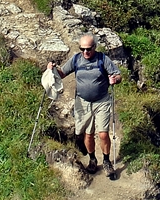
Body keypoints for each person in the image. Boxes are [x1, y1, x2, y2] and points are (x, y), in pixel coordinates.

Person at [48, 33, 122, 177]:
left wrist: (115, 79)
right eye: (82, 49)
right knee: (88, 134)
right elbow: (62, 73)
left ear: (94, 47)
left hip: (102, 101)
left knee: (103, 133)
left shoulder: (102, 59)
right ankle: (93, 159)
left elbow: (117, 75)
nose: (85, 52)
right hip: (83, 102)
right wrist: (52, 69)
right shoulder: (76, 59)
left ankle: (106, 161)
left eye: (88, 49)